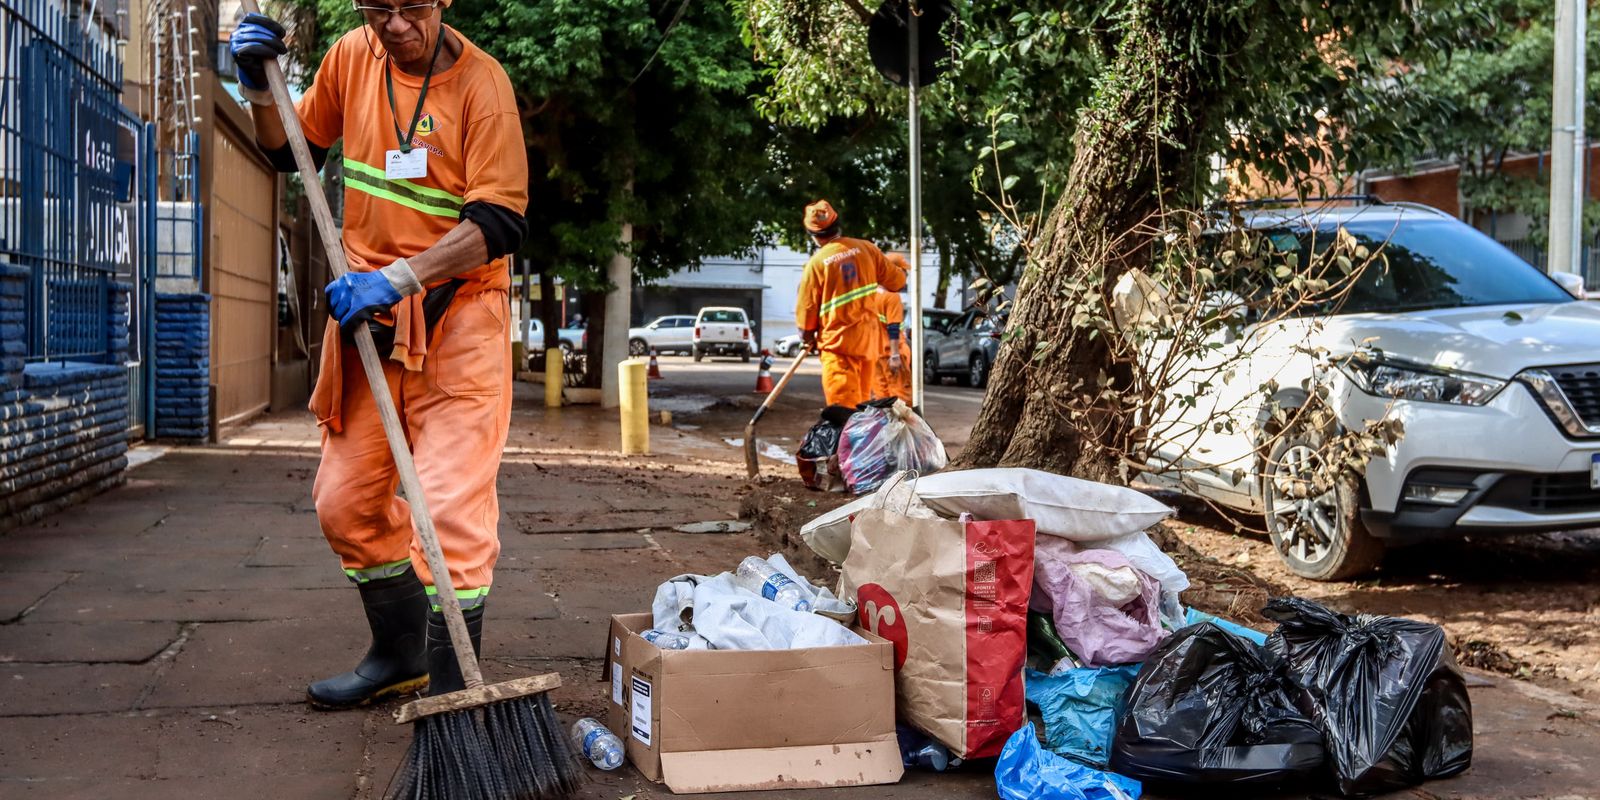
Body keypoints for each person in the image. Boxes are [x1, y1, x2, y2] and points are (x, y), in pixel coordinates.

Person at [231, 0, 529, 709]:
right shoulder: (348, 58)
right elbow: (286, 150)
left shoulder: (483, 87)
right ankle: (400, 654)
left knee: (450, 513)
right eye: (376, 9)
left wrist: (394, 279)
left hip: (458, 320)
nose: (393, 25)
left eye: (410, 8)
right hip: (372, 328)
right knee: (344, 505)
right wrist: (255, 86)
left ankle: (455, 703)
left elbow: (499, 221)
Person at [794, 200, 905, 407]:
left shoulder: (816, 264)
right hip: (867, 346)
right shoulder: (867, 249)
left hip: (839, 349)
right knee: (861, 411)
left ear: (814, 236)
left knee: (843, 415)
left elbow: (806, 311)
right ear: (838, 224)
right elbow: (897, 281)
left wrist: (807, 336)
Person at [872, 253, 913, 404]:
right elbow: (893, 327)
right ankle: (901, 428)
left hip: (875, 356)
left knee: (881, 399)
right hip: (892, 355)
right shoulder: (892, 297)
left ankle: (887, 428)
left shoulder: (870, 294)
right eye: (904, 272)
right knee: (900, 399)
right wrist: (895, 355)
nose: (906, 277)